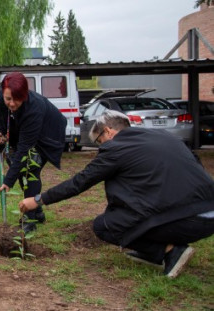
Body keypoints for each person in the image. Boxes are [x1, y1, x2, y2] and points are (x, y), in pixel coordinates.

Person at [19, 110, 214, 278]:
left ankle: (170, 251)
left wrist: (39, 199)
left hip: (189, 221)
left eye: (99, 141)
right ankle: (155, 251)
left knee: (104, 226)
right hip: (208, 213)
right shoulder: (164, 136)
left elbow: (80, 182)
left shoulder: (116, 148)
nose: (100, 147)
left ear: (108, 131)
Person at [0, 72, 66, 233]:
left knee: (30, 170)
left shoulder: (34, 108)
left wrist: (7, 181)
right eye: (8, 99)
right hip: (23, 133)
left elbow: (24, 149)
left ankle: (30, 218)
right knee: (21, 170)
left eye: (17, 99)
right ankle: (37, 211)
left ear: (24, 95)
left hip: (48, 135)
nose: (11, 103)